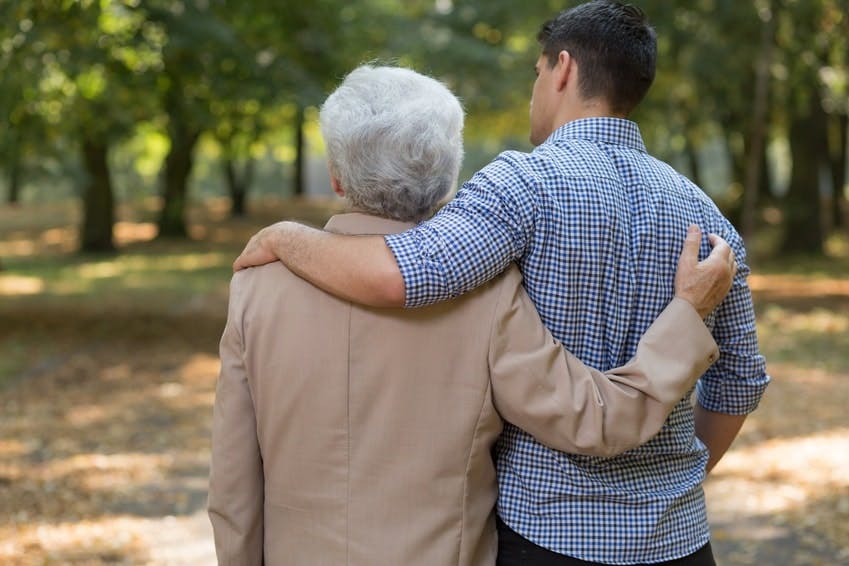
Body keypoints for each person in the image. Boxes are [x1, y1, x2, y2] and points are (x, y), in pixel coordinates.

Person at [233, 3, 770, 565]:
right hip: (679, 539)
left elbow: (412, 271)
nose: (533, 91)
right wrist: (667, 486)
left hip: (545, 535)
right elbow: (741, 383)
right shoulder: (708, 220)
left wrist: (285, 239)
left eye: (536, 74)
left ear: (562, 69)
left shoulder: (523, 184)